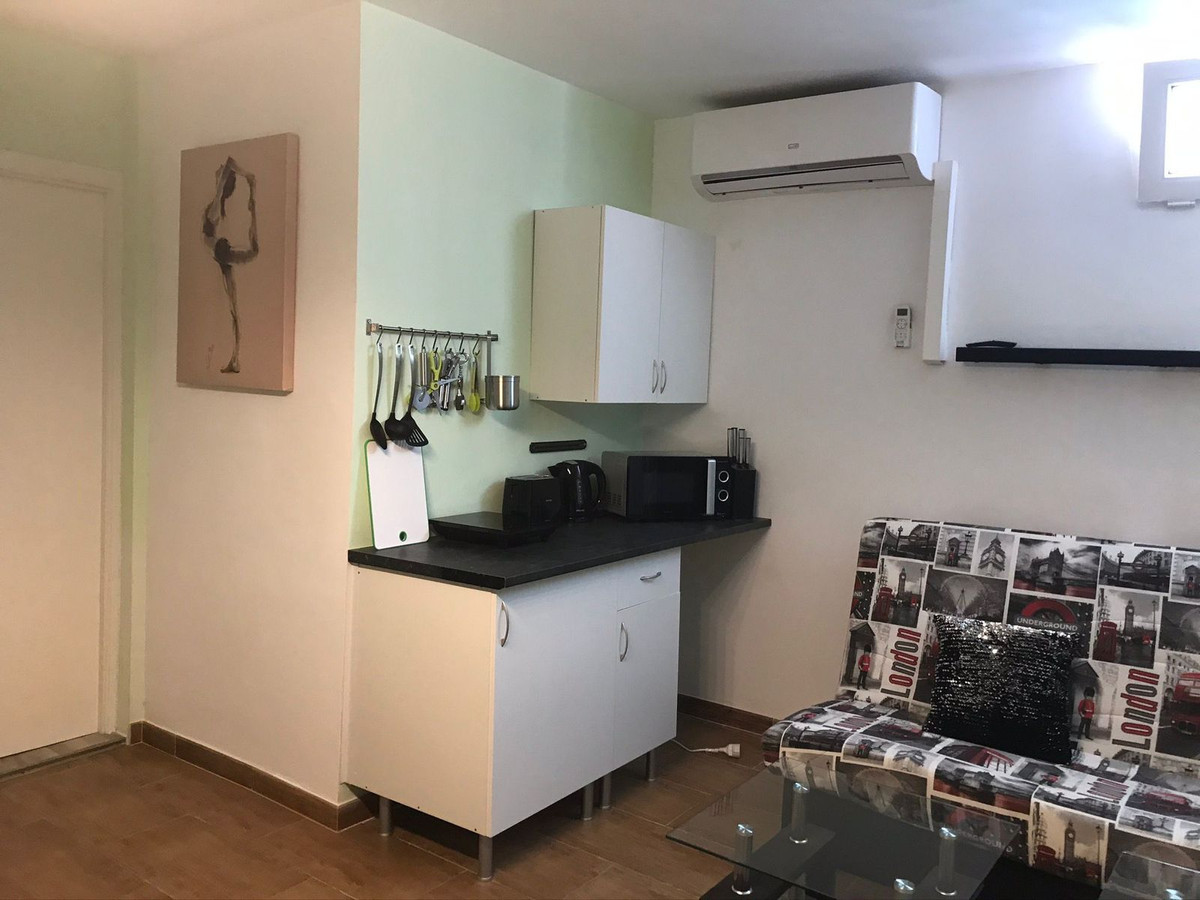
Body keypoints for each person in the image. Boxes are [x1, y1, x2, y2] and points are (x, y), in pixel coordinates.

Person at [202, 156, 259, 374]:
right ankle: (234, 357)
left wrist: (245, 175)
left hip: (222, 252)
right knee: (232, 308)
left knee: (233, 308)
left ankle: (235, 357)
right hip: (222, 253)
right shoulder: (218, 207)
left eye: (220, 174)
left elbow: (229, 163)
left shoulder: (217, 204)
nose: (217, 172)